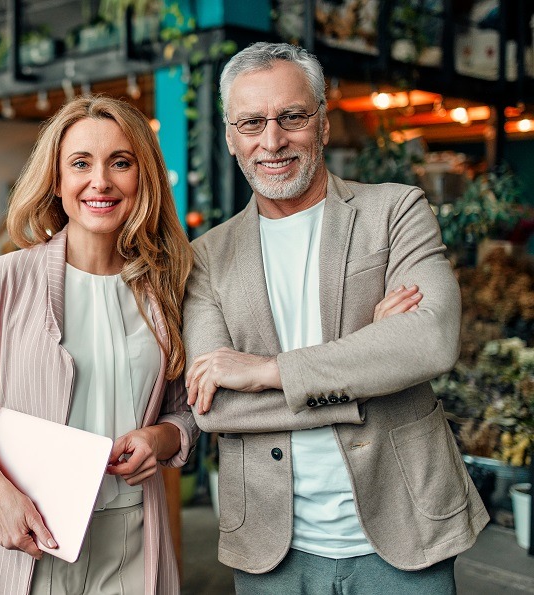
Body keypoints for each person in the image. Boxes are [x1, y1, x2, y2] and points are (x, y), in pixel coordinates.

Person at [182, 42, 489, 594]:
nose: (272, 141)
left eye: (292, 117)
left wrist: (265, 371)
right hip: (273, 544)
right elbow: (216, 406)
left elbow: (431, 341)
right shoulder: (206, 256)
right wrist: (372, 353)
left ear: (322, 124)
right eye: (251, 122)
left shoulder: (396, 210)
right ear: (230, 137)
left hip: (404, 528)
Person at [0, 96, 200, 594]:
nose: (101, 181)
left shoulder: (166, 288)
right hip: (29, 536)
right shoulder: (4, 279)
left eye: (121, 162)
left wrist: (161, 440)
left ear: (143, 177)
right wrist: (1, 495)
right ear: (57, 179)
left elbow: (183, 412)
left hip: (132, 539)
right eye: (81, 163)